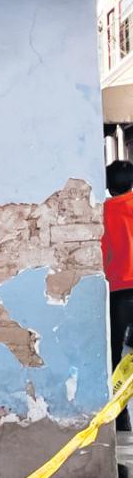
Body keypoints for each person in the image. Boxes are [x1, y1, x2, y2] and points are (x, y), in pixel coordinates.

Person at [103, 159, 133, 434]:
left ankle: (121, 417)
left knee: (114, 354)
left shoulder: (106, 211)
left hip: (119, 291)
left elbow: (104, 252)